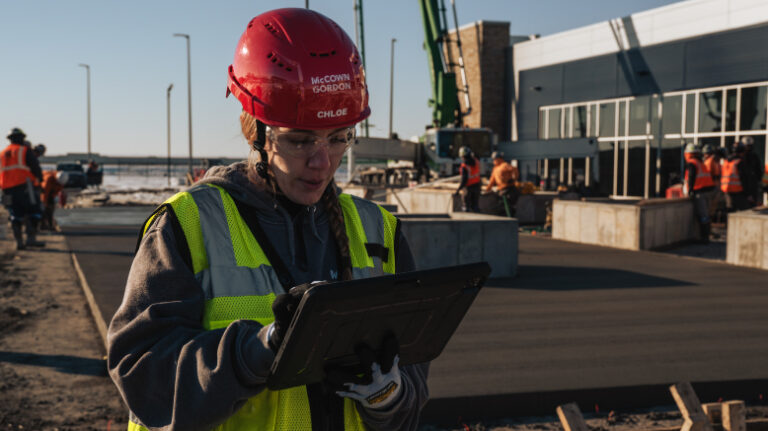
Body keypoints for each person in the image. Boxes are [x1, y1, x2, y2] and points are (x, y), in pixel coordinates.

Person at [107, 8, 429, 431]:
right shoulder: (188, 226)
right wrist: (256, 351)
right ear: (254, 131)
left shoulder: (378, 231)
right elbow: (143, 377)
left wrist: (389, 397)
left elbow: (413, 387)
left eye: (339, 139)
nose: (322, 162)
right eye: (299, 140)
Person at [1, 128, 44, 250]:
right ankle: (31, 239)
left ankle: (19, 242)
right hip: (25, 187)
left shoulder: (3, 153)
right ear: (22, 138)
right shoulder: (24, 151)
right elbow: (35, 167)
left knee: (14, 214)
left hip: (6, 190)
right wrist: (40, 181)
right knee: (34, 211)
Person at [683, 144, 715, 242]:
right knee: (706, 215)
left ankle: (704, 238)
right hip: (708, 191)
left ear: (688, 154)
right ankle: (705, 236)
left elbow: (691, 177)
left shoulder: (692, 163)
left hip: (700, 192)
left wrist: (690, 190)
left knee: (703, 216)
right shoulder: (700, 162)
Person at [721, 141, 752, 213]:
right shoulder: (739, 162)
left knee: (730, 212)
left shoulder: (726, 161)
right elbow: (744, 179)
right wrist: (748, 194)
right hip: (738, 191)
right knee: (746, 211)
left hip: (727, 191)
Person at [485, 151, 519, 217]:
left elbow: (514, 170)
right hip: (502, 190)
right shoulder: (495, 169)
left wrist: (513, 179)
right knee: (502, 207)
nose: (493, 161)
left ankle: (510, 219)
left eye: (494, 159)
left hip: (509, 190)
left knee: (507, 207)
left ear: (499, 159)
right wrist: (487, 189)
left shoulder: (504, 165)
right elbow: (492, 181)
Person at [456, 146, 481, 212]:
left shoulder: (464, 166)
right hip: (477, 186)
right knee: (475, 205)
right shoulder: (476, 161)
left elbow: (464, 179)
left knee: (466, 206)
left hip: (468, 188)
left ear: (462, 156)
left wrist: (458, 189)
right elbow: (477, 156)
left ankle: (467, 221)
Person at [740, 136, 764, 206]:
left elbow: (758, 170)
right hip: (742, 186)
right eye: (746, 146)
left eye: (749, 146)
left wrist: (759, 181)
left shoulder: (754, 156)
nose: (747, 148)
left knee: (752, 204)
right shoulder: (740, 158)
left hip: (752, 184)